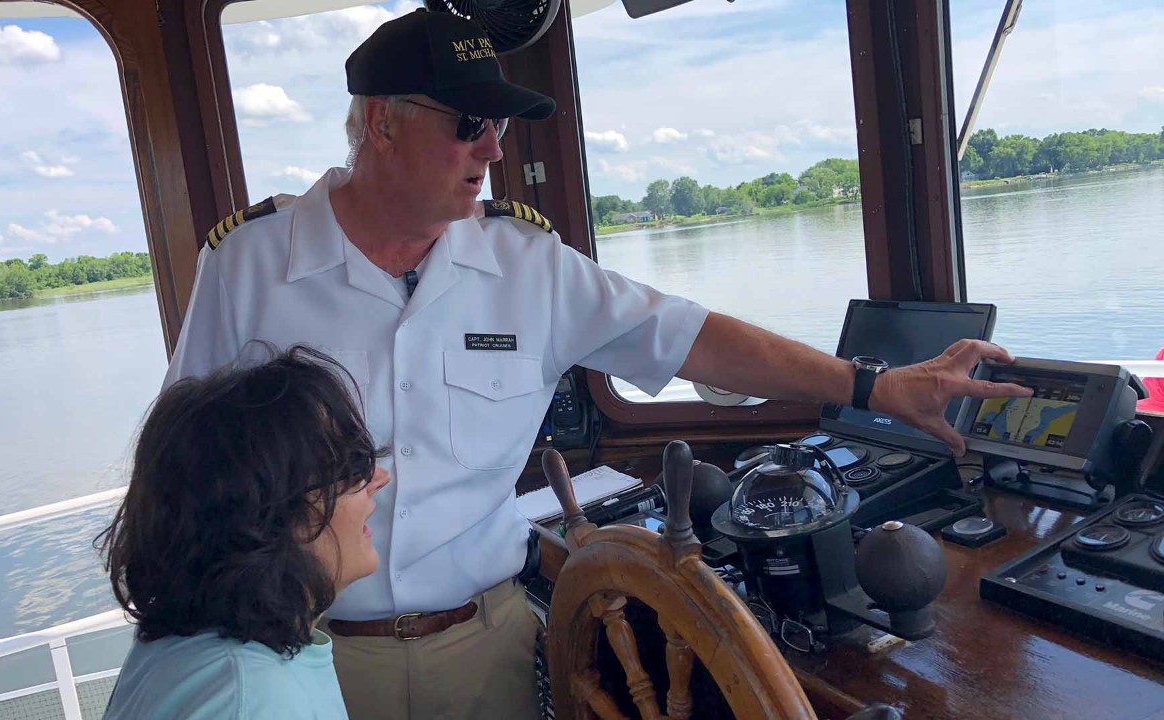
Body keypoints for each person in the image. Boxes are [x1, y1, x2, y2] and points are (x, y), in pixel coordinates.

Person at [162, 8, 1031, 719]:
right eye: (469, 125)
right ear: (382, 123)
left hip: (482, 646)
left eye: (498, 125)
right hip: (302, 656)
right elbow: (180, 478)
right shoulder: (249, 268)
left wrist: (873, 385)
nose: (492, 150)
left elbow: (694, 337)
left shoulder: (526, 264)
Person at [99, 345, 389, 719]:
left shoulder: (181, 647)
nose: (378, 478)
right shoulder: (254, 699)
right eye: (351, 467)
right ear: (266, 517)